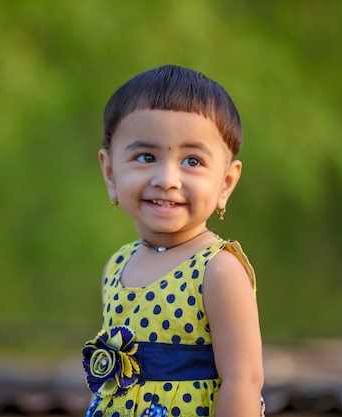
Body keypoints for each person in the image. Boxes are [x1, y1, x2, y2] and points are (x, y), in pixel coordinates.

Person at [82, 65, 265, 417]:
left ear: (225, 183)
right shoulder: (117, 265)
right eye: (146, 157)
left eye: (192, 161)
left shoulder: (219, 270)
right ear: (110, 173)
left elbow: (242, 380)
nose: (167, 179)